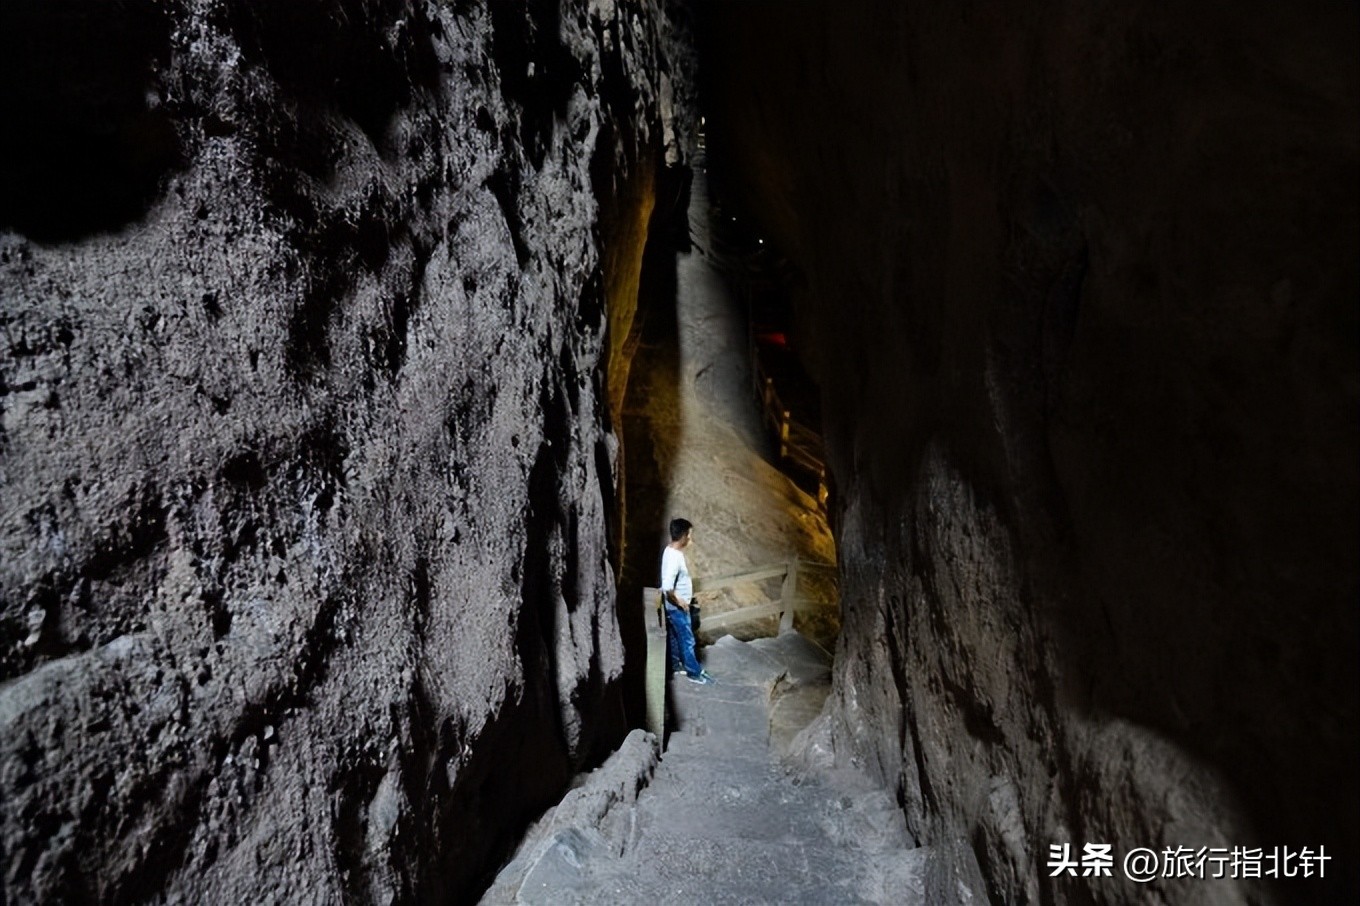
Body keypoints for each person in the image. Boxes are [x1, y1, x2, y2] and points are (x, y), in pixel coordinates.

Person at [660, 517, 715, 685]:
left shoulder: (669, 550)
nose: (691, 538)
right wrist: (679, 602)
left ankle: (677, 666)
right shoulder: (675, 557)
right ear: (683, 536)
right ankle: (694, 672)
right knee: (687, 639)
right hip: (677, 608)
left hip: (671, 607)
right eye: (689, 535)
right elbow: (667, 585)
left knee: (676, 637)